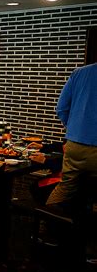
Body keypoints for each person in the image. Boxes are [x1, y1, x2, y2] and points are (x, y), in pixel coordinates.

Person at [46, 63, 97, 207]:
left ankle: (47, 223)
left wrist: (75, 129)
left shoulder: (79, 73)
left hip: (75, 145)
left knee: (65, 187)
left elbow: (61, 108)